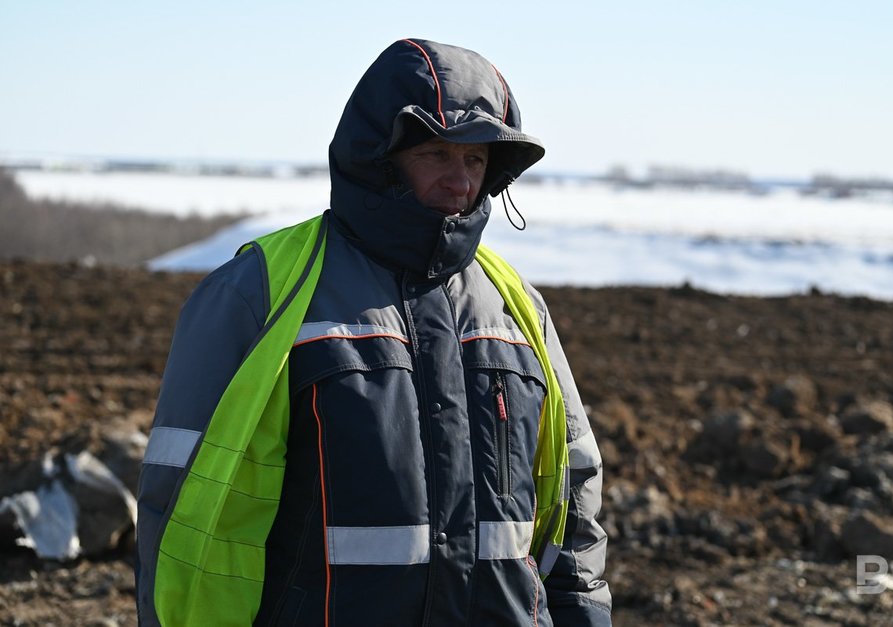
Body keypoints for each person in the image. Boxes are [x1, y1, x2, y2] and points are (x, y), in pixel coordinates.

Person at [136, 38, 611, 626]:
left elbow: (574, 501)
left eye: (476, 160)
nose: (459, 182)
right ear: (379, 157)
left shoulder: (517, 308)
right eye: (437, 153)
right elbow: (183, 515)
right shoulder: (260, 291)